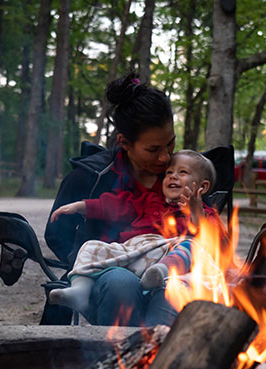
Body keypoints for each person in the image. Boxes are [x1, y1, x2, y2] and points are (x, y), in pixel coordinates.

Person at [44, 73, 176, 326]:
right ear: (124, 142)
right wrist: (92, 263)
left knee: (172, 289)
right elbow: (56, 234)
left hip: (167, 267)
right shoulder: (91, 177)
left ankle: (162, 350)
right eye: (153, 149)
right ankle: (116, 351)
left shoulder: (180, 174)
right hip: (108, 273)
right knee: (120, 283)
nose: (165, 157)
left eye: (170, 144)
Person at [47, 150, 222, 313]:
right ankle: (80, 291)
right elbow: (116, 206)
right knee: (90, 246)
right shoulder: (149, 199)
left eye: (182, 172)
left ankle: (159, 273)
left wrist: (196, 212)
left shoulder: (206, 214)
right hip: (134, 253)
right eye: (169, 172)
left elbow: (212, 240)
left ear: (203, 186)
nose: (173, 176)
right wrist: (82, 206)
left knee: (191, 245)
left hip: (169, 258)